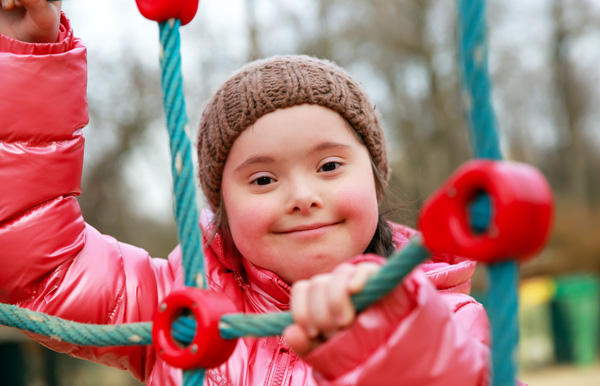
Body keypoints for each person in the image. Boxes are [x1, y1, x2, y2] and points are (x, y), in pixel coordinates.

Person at [0, 1, 491, 385]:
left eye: (329, 165)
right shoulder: (178, 301)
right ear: (224, 209)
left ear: (375, 177)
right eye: (262, 179)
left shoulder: (445, 317)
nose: (302, 195)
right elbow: (39, 264)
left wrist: (406, 344)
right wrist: (25, 53)